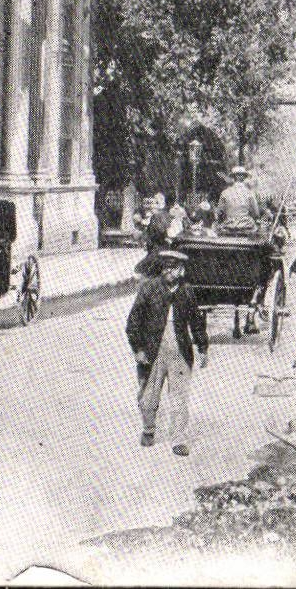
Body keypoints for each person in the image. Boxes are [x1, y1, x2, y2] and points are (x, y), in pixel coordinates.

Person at [125, 249, 208, 453]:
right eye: (166, 267)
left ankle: (178, 439)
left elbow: (197, 322)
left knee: (179, 396)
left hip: (180, 349)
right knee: (149, 395)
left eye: (173, 267)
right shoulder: (149, 289)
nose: (169, 271)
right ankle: (148, 429)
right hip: (153, 349)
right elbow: (133, 322)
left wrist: (202, 347)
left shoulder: (187, 291)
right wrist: (138, 350)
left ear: (181, 270)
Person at [215, 166, 260, 235]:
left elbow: (219, 213)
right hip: (246, 226)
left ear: (233, 177)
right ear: (244, 177)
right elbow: (256, 214)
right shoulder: (250, 193)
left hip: (229, 226)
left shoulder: (225, 193)